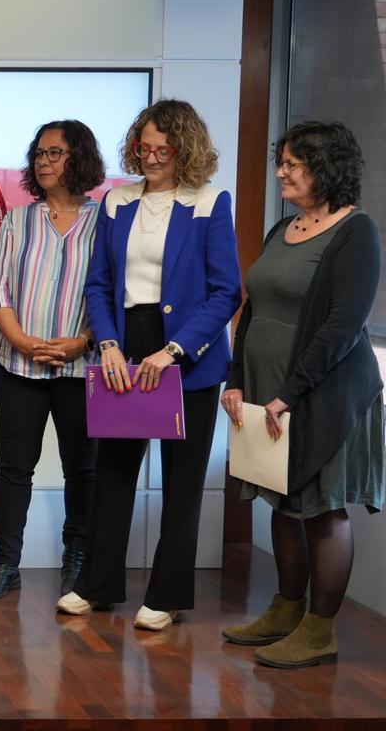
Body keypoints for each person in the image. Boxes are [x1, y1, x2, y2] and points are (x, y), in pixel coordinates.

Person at [59, 99, 242, 630]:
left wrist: (173, 351)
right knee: (113, 473)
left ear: (185, 149)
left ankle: (165, 596)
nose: (153, 156)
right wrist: (110, 345)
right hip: (126, 345)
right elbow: (99, 284)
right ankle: (97, 586)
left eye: (164, 148)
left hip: (188, 355)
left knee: (182, 484)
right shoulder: (117, 202)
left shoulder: (210, 202)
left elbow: (224, 291)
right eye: (144, 146)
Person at [220, 122, 383, 668]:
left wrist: (289, 393)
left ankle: (320, 630)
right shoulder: (281, 229)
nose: (282, 171)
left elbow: (342, 324)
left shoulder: (356, 231)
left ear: (327, 167)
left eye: (294, 163)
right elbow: (254, 307)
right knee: (282, 503)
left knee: (322, 510)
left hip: (326, 395)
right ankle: (285, 611)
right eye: (281, 161)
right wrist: (236, 379)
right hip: (269, 396)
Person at [0, 120, 105, 602]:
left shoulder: (106, 221)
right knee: (13, 467)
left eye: (56, 153)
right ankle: (5, 563)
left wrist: (83, 341)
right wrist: (25, 342)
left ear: (81, 159)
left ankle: (77, 561)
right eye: (39, 154)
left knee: (83, 470)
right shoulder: (18, 219)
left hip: (81, 366)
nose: (44, 162)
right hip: (18, 366)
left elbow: (113, 294)